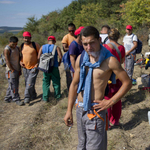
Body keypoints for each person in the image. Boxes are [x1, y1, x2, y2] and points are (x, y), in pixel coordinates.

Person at [64, 26, 132, 150]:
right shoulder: (81, 58)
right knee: (82, 146)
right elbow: (74, 84)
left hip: (95, 111)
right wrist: (69, 110)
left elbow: (127, 83)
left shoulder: (109, 60)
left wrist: (110, 102)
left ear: (99, 40)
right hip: (80, 108)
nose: (88, 48)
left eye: (92, 43)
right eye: (85, 44)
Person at [103, 28, 125, 128]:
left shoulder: (105, 47)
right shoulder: (122, 48)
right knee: (117, 99)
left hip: (108, 76)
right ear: (118, 37)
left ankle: (107, 122)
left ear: (108, 37)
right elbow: (121, 61)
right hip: (118, 76)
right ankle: (115, 120)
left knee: (107, 98)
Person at [38, 36, 62, 102]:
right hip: (54, 67)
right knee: (56, 82)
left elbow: (38, 56)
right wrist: (59, 62)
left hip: (45, 67)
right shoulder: (56, 47)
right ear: (55, 41)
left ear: (48, 41)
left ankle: (45, 98)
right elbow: (60, 56)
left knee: (46, 82)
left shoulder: (42, 47)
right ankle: (57, 96)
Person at [20, 31, 40, 105]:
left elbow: (39, 55)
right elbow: (20, 56)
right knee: (28, 83)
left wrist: (38, 63)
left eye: (27, 38)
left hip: (34, 67)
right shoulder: (22, 46)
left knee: (29, 83)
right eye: (25, 38)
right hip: (25, 68)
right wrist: (20, 62)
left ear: (30, 38)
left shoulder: (35, 45)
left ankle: (27, 98)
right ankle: (33, 95)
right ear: (23, 38)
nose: (26, 39)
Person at [4, 36, 24, 106]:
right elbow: (7, 61)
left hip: (17, 69)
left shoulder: (17, 48)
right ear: (9, 42)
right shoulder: (7, 49)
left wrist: (19, 68)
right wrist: (12, 70)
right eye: (13, 44)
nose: (14, 45)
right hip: (11, 71)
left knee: (12, 85)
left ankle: (7, 98)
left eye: (15, 44)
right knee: (14, 86)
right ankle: (16, 99)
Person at [61, 23, 76, 90]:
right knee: (69, 74)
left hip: (76, 57)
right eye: (70, 31)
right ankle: (69, 89)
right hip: (68, 57)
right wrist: (72, 48)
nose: (71, 32)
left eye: (72, 30)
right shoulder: (66, 37)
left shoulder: (77, 36)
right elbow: (64, 49)